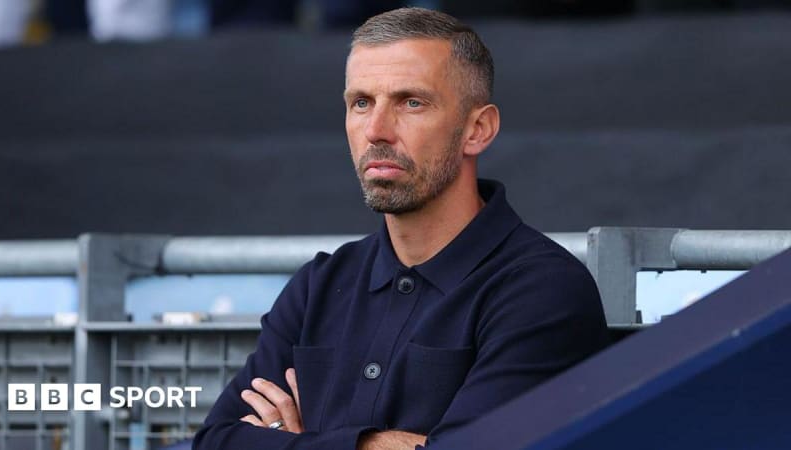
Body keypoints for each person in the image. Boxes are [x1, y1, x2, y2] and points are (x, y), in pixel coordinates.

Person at [193, 7, 608, 450]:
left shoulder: (543, 290)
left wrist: (302, 440)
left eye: (411, 102)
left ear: (478, 129)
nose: (376, 130)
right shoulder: (319, 285)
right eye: (361, 103)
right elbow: (215, 441)